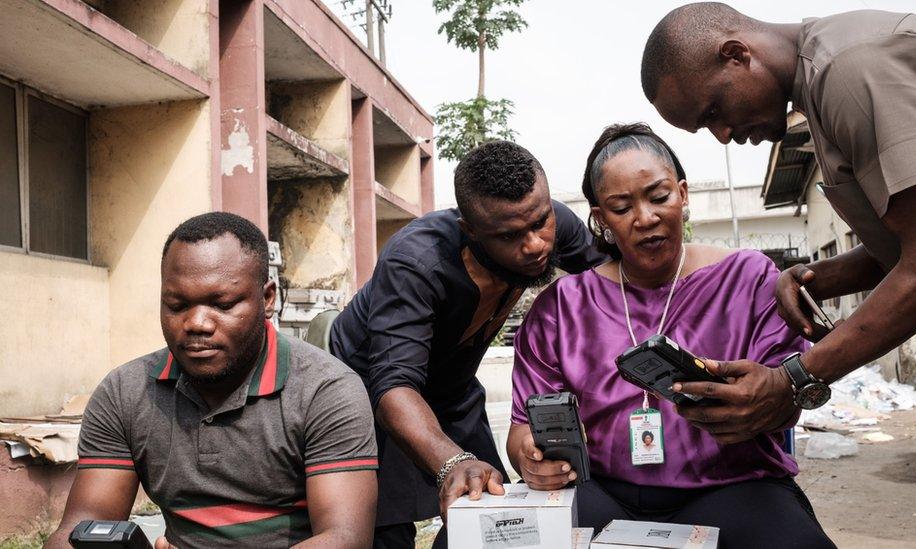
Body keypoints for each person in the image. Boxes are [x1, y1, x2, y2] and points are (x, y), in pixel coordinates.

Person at [640, 3, 916, 545]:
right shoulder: (824, 87)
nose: (723, 135)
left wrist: (795, 379)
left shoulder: (850, 67)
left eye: (714, 112)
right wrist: (818, 277)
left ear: (737, 54)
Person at [507, 123, 834, 549]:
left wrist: (756, 404)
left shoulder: (749, 278)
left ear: (683, 194)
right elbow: (521, 429)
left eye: (659, 197)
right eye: (621, 208)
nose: (646, 218)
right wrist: (529, 458)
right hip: (599, 490)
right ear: (600, 219)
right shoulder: (561, 305)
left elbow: (785, 401)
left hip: (732, 484)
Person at [325, 140, 605, 548]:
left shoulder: (551, 223)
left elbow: (613, 285)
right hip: (370, 392)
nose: (535, 244)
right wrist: (452, 463)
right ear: (470, 230)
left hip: (452, 387)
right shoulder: (414, 261)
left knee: (496, 518)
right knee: (384, 531)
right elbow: (394, 386)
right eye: (509, 235)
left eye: (540, 222)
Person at [44, 212, 378, 549]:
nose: (197, 323)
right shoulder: (125, 393)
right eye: (177, 305)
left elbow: (345, 538)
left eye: (222, 304)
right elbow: (81, 527)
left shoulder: (326, 390)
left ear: (267, 299)